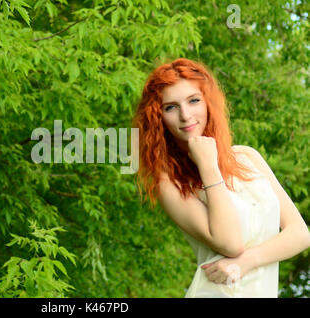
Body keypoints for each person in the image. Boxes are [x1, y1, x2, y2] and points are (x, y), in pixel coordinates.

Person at [133, 57, 310, 297]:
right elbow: (229, 242)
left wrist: (246, 262)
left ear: (208, 103)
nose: (186, 115)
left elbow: (300, 234)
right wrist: (208, 166)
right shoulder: (168, 183)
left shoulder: (247, 157)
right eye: (171, 107)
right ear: (159, 118)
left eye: (194, 100)